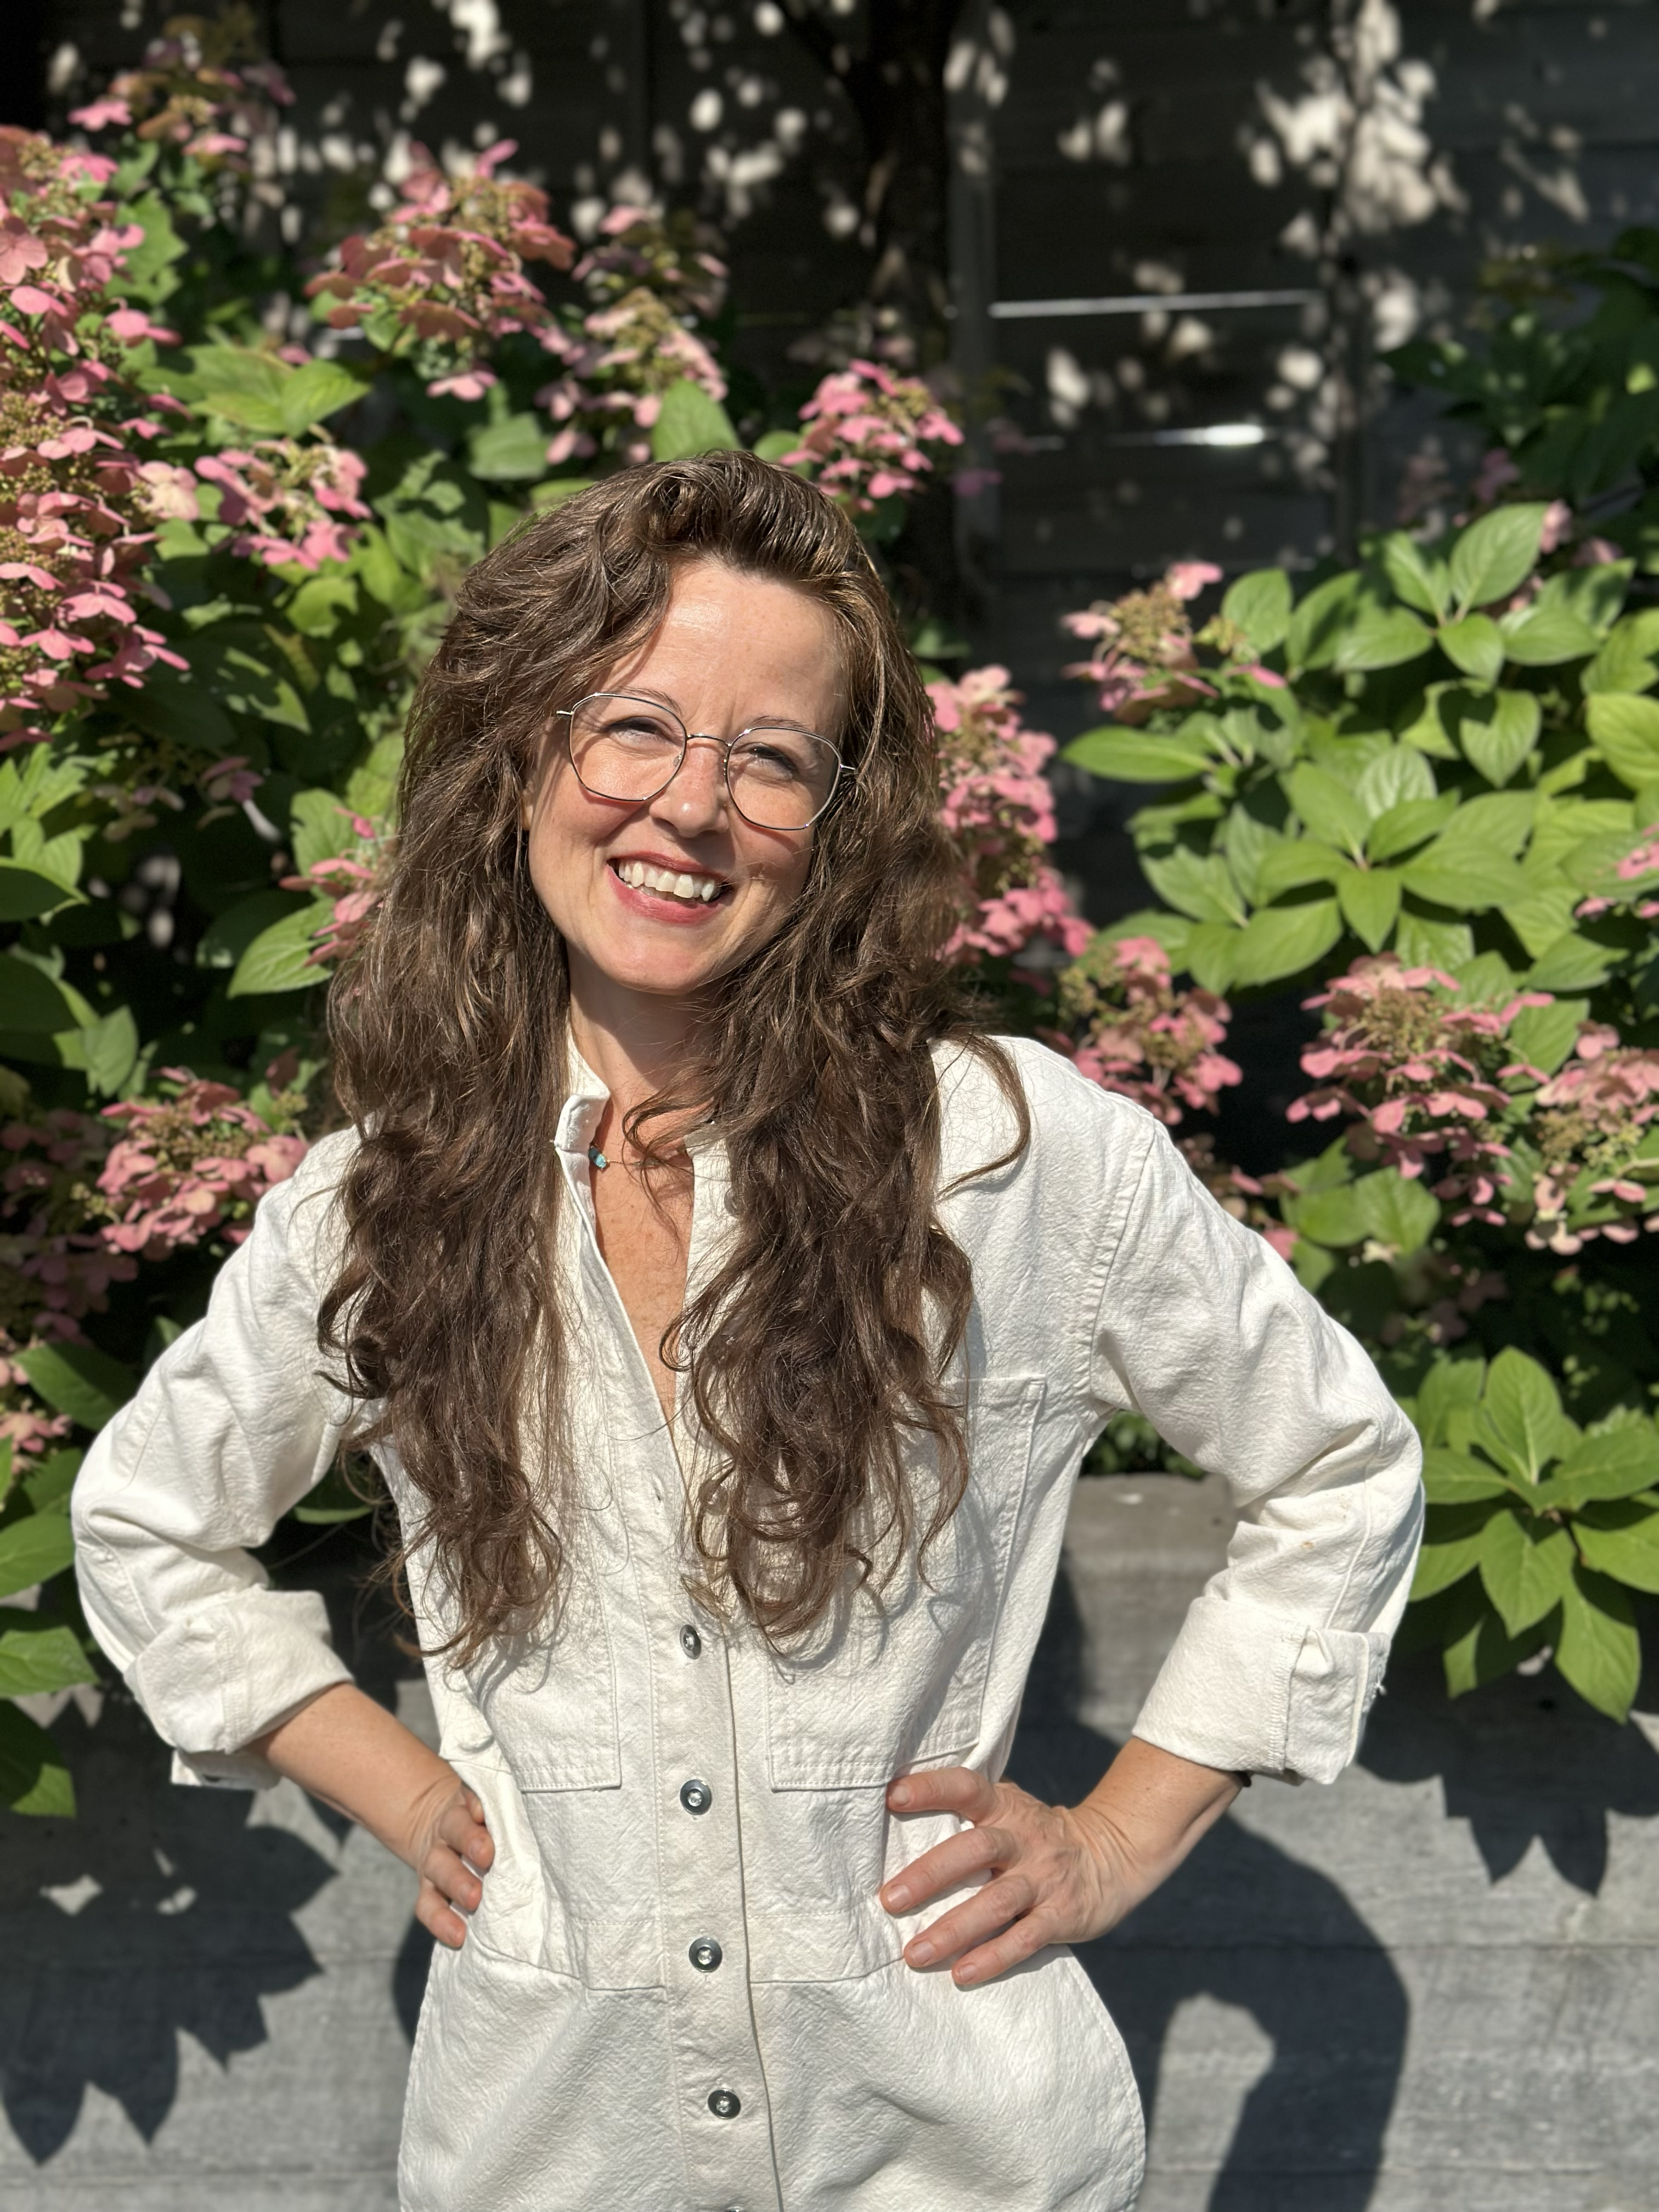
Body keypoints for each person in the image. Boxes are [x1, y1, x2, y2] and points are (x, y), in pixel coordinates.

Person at [73, 450, 1423, 2212]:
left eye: (771, 757)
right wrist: (407, 1800)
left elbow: (1335, 1462)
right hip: (550, 2152)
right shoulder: (375, 1209)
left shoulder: (1014, 1161)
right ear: (518, 759)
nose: (691, 807)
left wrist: (1112, 1840)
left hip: (959, 2152)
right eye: (632, 724)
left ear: (839, 823)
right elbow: (147, 1524)